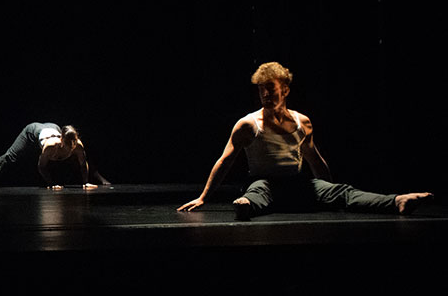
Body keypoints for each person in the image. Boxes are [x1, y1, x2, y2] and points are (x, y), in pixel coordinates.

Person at [177, 62, 432, 219]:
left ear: (285, 90)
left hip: (298, 185)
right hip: (263, 183)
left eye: (271, 89)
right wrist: (203, 197)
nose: (265, 94)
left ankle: (397, 201)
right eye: (261, 89)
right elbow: (225, 160)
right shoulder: (248, 124)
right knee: (255, 193)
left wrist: (330, 189)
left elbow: (314, 158)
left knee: (344, 192)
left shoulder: (303, 121)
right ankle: (247, 206)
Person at [0, 122, 110, 189]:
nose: (73, 146)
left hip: (53, 127)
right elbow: (41, 166)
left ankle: (98, 177)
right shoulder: (51, 146)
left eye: (74, 143)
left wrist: (85, 182)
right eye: (69, 144)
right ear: (62, 140)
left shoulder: (77, 145)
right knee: (12, 155)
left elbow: (82, 163)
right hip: (33, 131)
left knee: (80, 156)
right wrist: (52, 184)